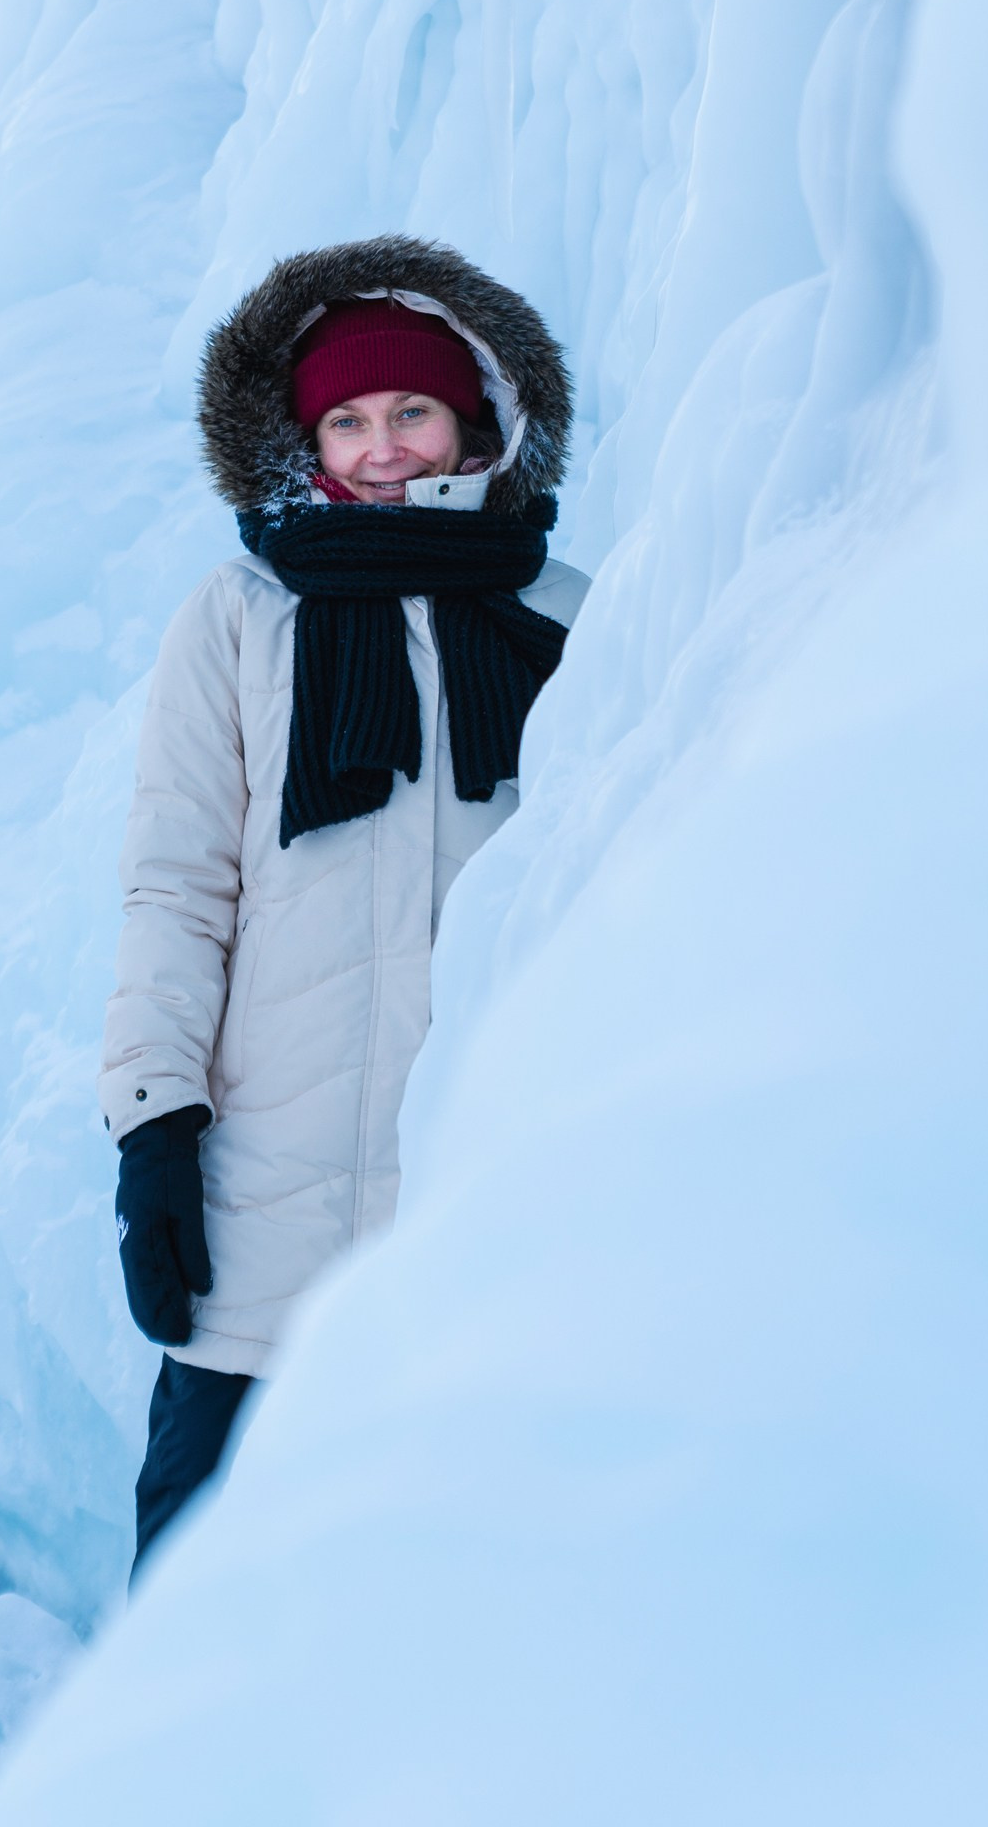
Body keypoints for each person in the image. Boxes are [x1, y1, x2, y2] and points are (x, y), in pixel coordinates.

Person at [100, 235, 589, 1576]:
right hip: (266, 1200)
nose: (383, 448)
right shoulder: (243, 614)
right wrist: (154, 1129)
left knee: (454, 1591)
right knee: (193, 1584)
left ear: (481, 420)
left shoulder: (562, 619)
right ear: (303, 438)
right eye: (348, 419)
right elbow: (178, 890)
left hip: (481, 1194)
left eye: (413, 410)